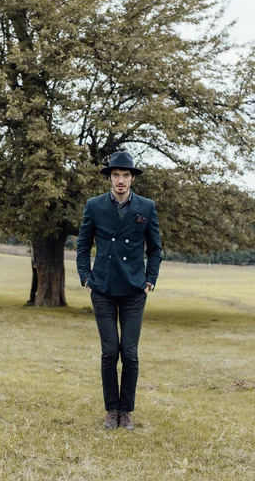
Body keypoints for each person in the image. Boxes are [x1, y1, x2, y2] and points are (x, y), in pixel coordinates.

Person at [76, 151, 162, 430]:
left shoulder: (146, 207)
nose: (121, 180)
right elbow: (82, 246)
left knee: (130, 352)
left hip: (134, 290)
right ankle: (111, 410)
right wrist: (86, 278)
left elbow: (156, 249)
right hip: (102, 288)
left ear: (132, 177)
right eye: (116, 175)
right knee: (110, 351)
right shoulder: (95, 205)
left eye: (125, 175)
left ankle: (126, 411)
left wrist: (150, 279)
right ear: (110, 178)